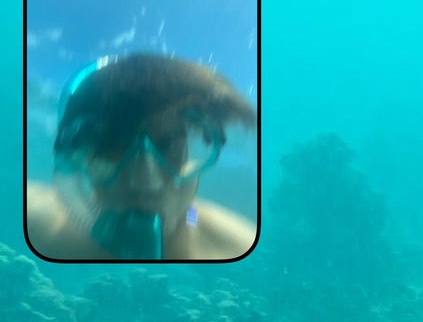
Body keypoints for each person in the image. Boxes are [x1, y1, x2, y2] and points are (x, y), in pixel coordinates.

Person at [26, 52, 258, 262]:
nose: (148, 184)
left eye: (169, 145)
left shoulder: (240, 248)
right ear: (74, 161)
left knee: (191, 215)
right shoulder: (29, 220)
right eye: (113, 146)